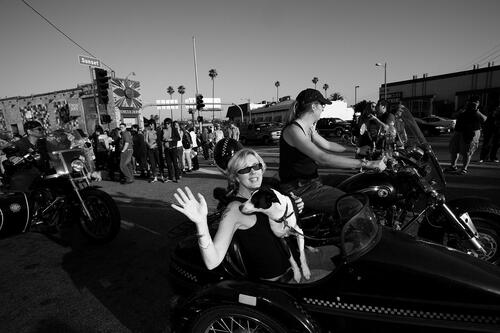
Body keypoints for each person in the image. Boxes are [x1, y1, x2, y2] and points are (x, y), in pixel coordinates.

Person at [172, 143, 318, 282]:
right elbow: (212, 261)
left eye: (256, 166)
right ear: (236, 177)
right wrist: (201, 223)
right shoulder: (235, 209)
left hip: (298, 263)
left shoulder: (266, 195)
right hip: (285, 283)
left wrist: (292, 210)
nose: (253, 171)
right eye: (245, 169)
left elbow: (286, 232)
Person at [279, 88, 386, 215]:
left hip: (312, 181)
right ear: (314, 106)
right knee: (354, 206)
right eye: (322, 105)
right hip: (299, 188)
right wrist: (367, 164)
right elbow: (322, 157)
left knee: (358, 183)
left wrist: (358, 149)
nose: (323, 108)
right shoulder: (294, 130)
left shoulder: (309, 129)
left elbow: (328, 145)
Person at [446, 96, 487, 175]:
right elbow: (453, 115)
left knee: (467, 151)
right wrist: (461, 111)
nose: (471, 104)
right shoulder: (463, 108)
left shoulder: (480, 109)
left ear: (478, 103)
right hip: (458, 131)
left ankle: (464, 168)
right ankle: (453, 166)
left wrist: (476, 110)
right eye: (470, 102)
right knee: (454, 149)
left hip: (471, 132)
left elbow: (484, 119)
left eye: (475, 102)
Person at [4, 120, 49, 191]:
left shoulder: (44, 142)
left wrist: (69, 140)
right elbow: (11, 153)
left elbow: (56, 148)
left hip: (45, 170)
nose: (42, 131)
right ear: (29, 131)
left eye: (42, 128)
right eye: (39, 129)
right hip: (28, 171)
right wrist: (13, 158)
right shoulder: (20, 144)